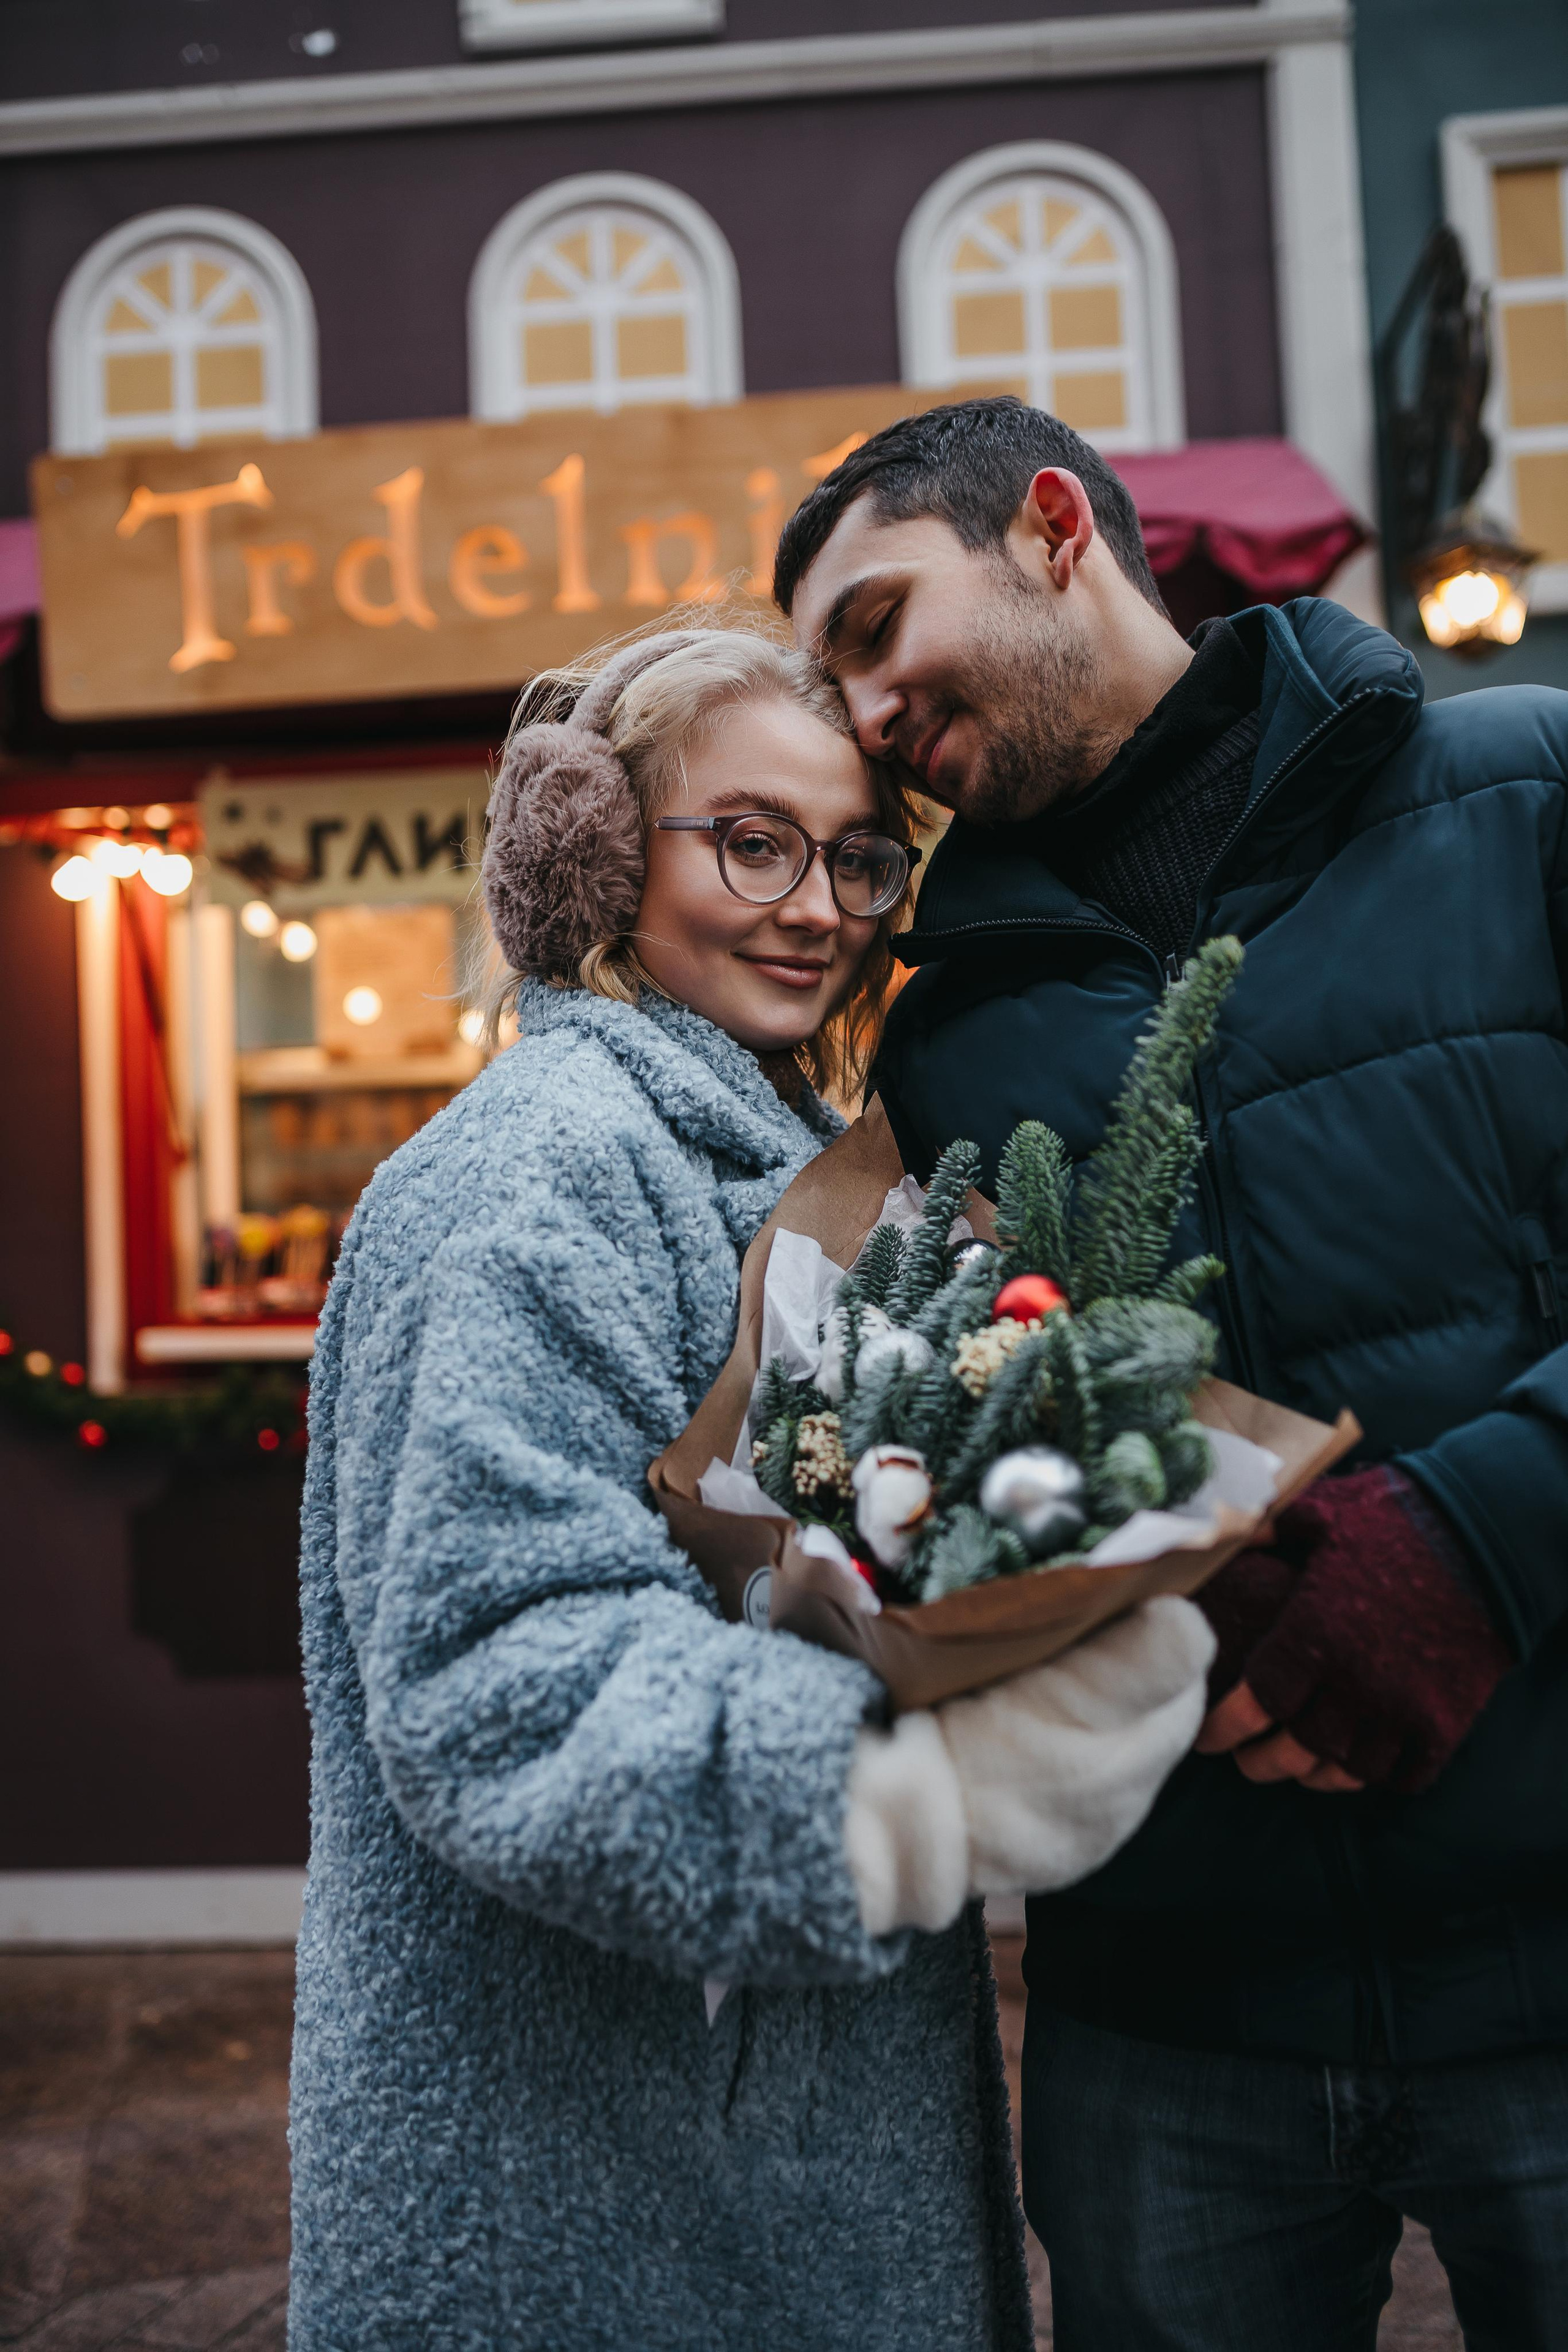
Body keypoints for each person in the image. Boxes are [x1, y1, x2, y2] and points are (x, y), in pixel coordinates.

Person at [287, 623, 1215, 2351]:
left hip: (759, 2145)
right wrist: (890, 1796)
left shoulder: (778, 1160)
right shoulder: (530, 1174)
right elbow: (500, 1676)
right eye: (751, 840)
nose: (818, 907)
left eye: (856, 854)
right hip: (575, 2202)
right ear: (591, 848)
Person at [774, 399, 1568, 2352]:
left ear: (1054, 527)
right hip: (1169, 2022)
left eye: (878, 625)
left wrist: (1473, 1538)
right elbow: (966, 1437)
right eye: (825, 677)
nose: (861, 710)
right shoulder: (935, 1031)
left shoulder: (1527, 783)